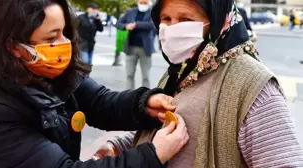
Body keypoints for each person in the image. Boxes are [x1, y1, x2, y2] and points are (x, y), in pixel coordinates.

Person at [0, 0, 190, 168]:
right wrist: (153, 154)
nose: (65, 43)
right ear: (13, 45)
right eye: (52, 38)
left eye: (64, 32)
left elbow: (100, 102)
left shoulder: (49, 68)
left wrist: (143, 103)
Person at [94, 0, 303, 167]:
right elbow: (162, 125)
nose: (172, 29)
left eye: (185, 19)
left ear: (217, 21)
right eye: (166, 18)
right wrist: (118, 146)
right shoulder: (180, 71)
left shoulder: (254, 88)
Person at [116, 0, 156, 89]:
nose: (143, 4)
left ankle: (146, 95)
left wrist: (136, 24)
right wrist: (125, 26)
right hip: (130, 48)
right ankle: (129, 96)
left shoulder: (152, 12)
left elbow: (152, 25)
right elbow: (118, 23)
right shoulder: (130, 12)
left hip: (145, 49)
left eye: (145, 3)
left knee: (146, 76)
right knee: (129, 75)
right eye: (141, 2)